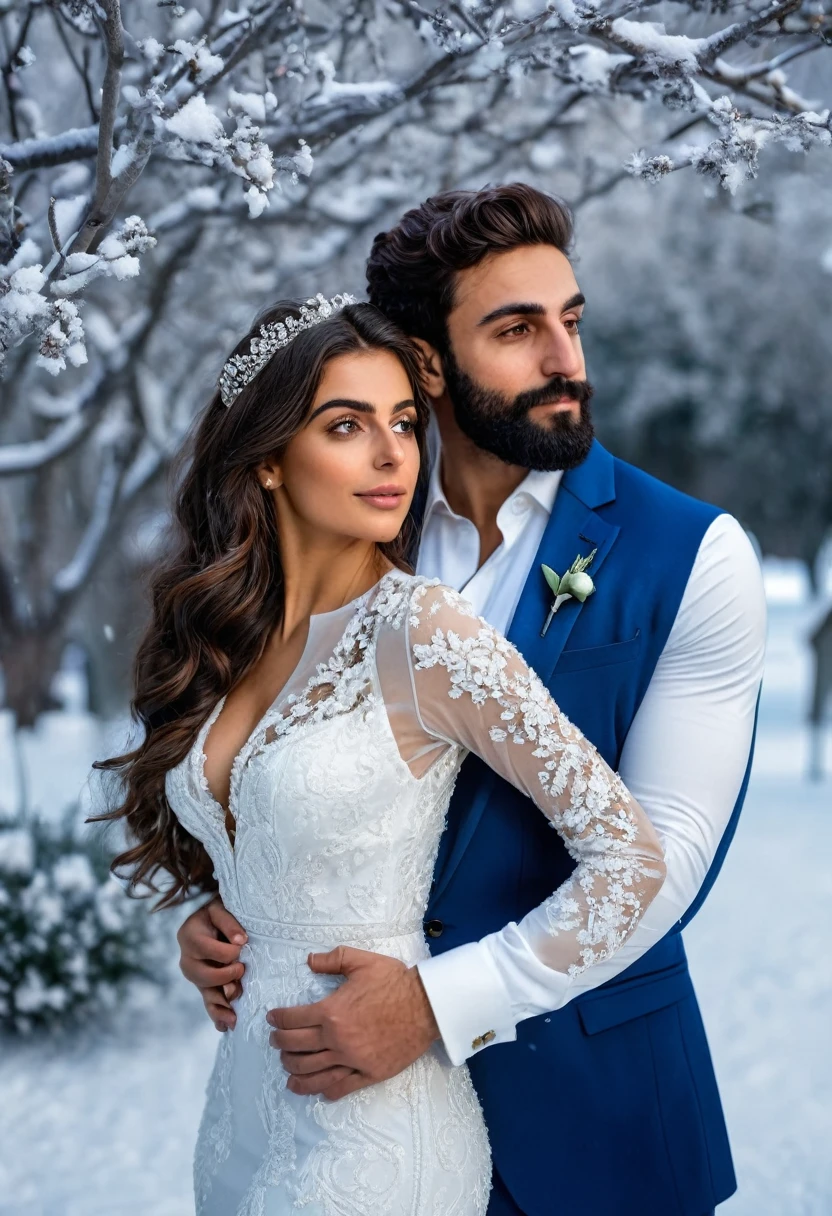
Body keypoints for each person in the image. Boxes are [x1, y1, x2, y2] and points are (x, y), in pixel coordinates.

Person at [176, 185, 767, 1216]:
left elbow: (664, 855)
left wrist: (438, 1004)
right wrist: (240, 904)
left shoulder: (694, 557)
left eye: (570, 321)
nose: (564, 360)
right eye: (516, 329)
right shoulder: (357, 517)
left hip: (595, 1123)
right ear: (428, 358)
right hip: (324, 1107)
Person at [95, 293, 667, 1214]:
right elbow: (278, 836)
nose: (394, 452)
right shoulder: (236, 639)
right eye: (347, 424)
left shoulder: (425, 633)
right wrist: (220, 914)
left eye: (403, 421)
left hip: (374, 1129)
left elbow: (632, 862)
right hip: (242, 1113)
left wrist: (440, 1002)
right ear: (269, 458)